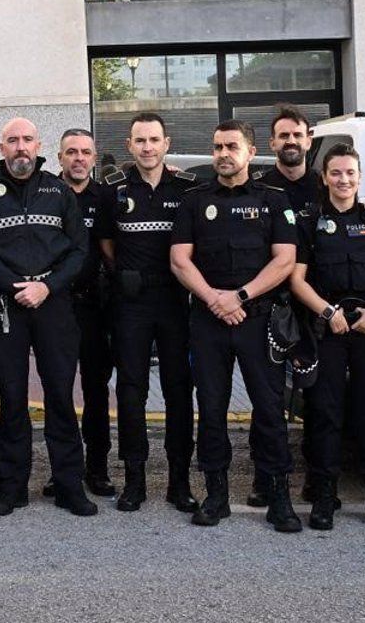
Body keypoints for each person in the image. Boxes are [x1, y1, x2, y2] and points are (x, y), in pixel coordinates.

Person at [0, 118, 96, 516]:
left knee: (60, 397)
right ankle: (13, 487)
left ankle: (70, 486)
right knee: (13, 399)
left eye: (27, 140)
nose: (21, 147)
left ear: (39, 145)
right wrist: (15, 285)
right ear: (2, 146)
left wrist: (47, 287)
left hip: (52, 304)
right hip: (5, 305)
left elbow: (78, 250)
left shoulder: (58, 191)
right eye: (13, 140)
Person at [171, 120, 301, 532]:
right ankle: (216, 495)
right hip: (209, 320)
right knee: (211, 409)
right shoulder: (194, 201)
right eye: (217, 147)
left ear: (250, 150)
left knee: (268, 409)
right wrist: (215, 299)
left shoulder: (273, 200)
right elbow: (179, 260)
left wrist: (239, 297)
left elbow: (284, 260)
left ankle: (279, 497)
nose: (223, 154)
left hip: (257, 318)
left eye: (231, 146)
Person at [288, 143, 365, 532]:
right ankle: (325, 497)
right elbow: (296, 279)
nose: (343, 180)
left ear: (360, 177)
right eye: (336, 173)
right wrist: (327, 312)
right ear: (324, 177)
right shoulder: (310, 220)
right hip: (327, 330)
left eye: (350, 173)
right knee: (325, 414)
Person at [103, 113, 199, 512]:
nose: (147, 147)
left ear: (166, 143)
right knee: (131, 390)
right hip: (132, 303)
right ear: (129, 146)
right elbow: (106, 245)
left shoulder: (188, 189)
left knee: (179, 390)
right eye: (139, 140)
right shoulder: (113, 189)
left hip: (176, 302)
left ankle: (179, 481)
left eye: (154, 140)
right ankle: (135, 480)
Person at [254, 103, 329, 508]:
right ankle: (266, 479)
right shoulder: (262, 188)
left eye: (297, 135)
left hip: (315, 307)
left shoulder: (325, 187)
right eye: (283, 136)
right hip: (271, 307)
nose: (290, 142)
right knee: (267, 398)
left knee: (318, 399)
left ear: (308, 141)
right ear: (271, 143)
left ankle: (316, 482)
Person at [58, 127, 117, 496]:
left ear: (94, 158)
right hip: (58, 306)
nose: (79, 158)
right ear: (60, 157)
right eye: (71, 152)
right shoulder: (47, 193)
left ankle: (97, 468)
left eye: (85, 152)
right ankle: (63, 469)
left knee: (96, 391)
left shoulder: (107, 197)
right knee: (58, 391)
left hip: (97, 307)